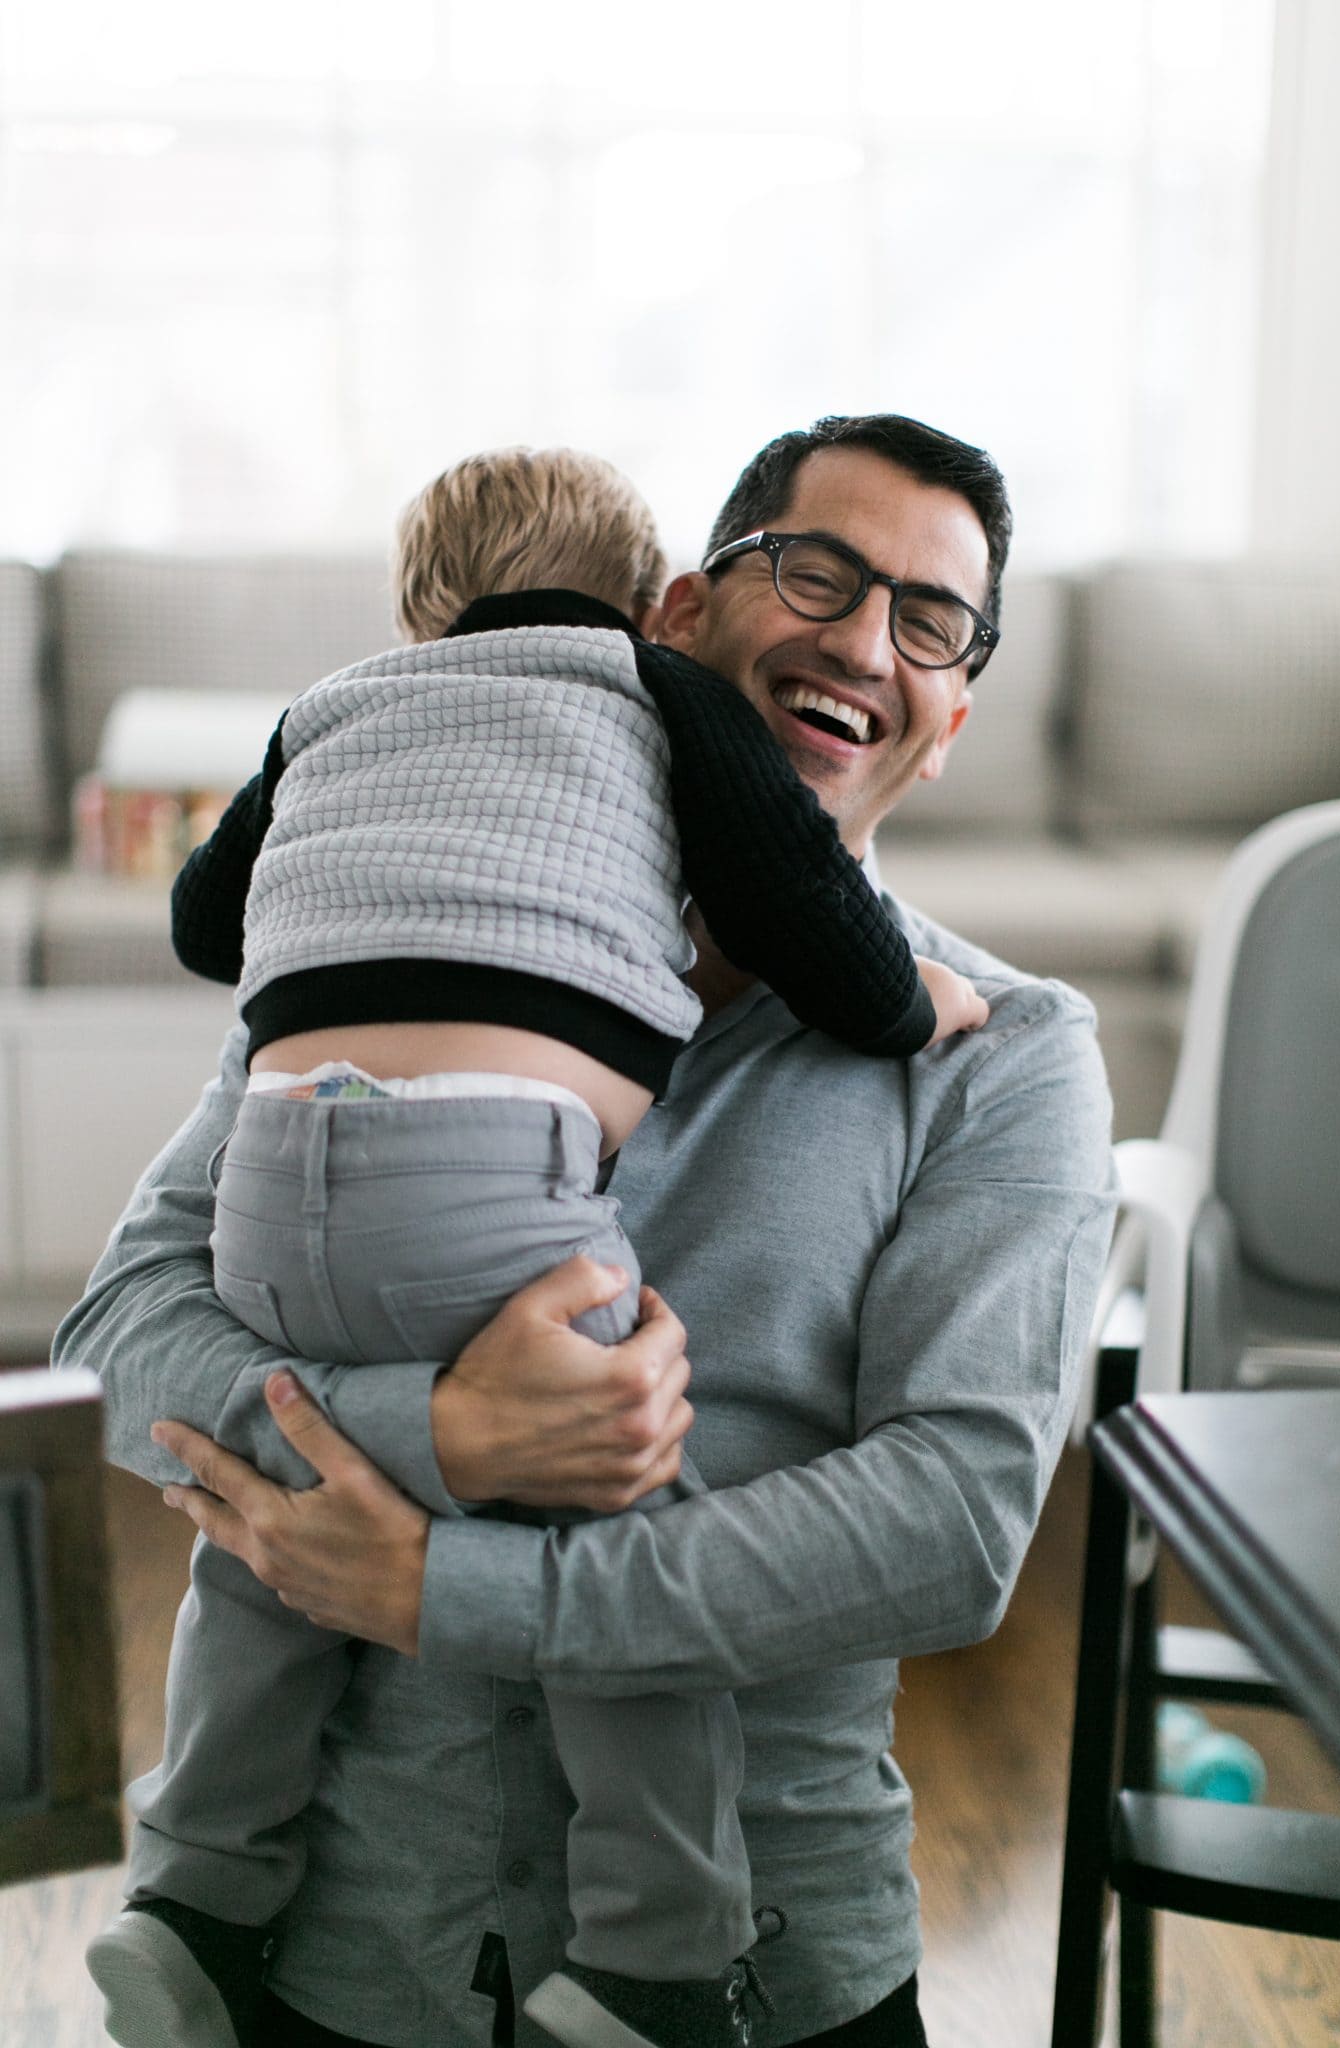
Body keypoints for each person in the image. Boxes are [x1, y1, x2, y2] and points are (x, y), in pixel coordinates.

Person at [55, 413, 1117, 2048]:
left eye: (926, 621)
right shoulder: (375, 932)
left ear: (951, 714)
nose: (859, 641)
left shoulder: (1009, 1052)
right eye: (816, 575)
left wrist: (438, 1585)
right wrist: (453, 1435)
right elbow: (118, 1336)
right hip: (347, 1952)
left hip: (762, 1977)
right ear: (677, 621)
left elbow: (953, 1523)